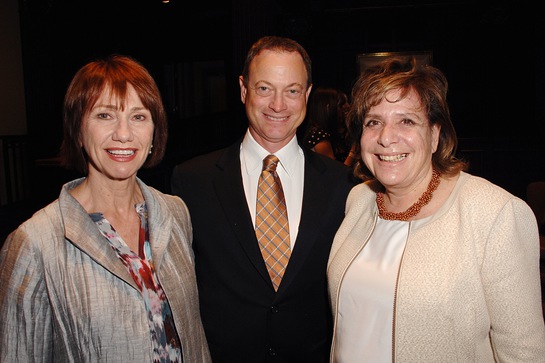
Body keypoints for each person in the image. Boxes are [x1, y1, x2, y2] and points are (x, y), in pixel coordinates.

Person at [327, 56, 545, 362]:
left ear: (434, 135)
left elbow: (524, 354)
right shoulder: (359, 201)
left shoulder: (495, 213)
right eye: (373, 122)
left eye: (406, 120)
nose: (386, 137)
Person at [0, 55, 211, 362]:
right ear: (77, 130)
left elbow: (194, 336)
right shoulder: (34, 243)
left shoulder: (175, 213)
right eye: (104, 116)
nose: (124, 134)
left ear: (155, 132)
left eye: (138, 117)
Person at [170, 36, 357, 362]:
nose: (278, 105)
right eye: (264, 88)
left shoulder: (344, 185)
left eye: (292, 90)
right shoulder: (191, 181)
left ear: (308, 94)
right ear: (243, 89)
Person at [302, 87, 357, 166]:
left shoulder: (338, 133)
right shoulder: (318, 137)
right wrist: (353, 153)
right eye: (341, 105)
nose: (347, 107)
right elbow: (334, 174)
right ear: (328, 108)